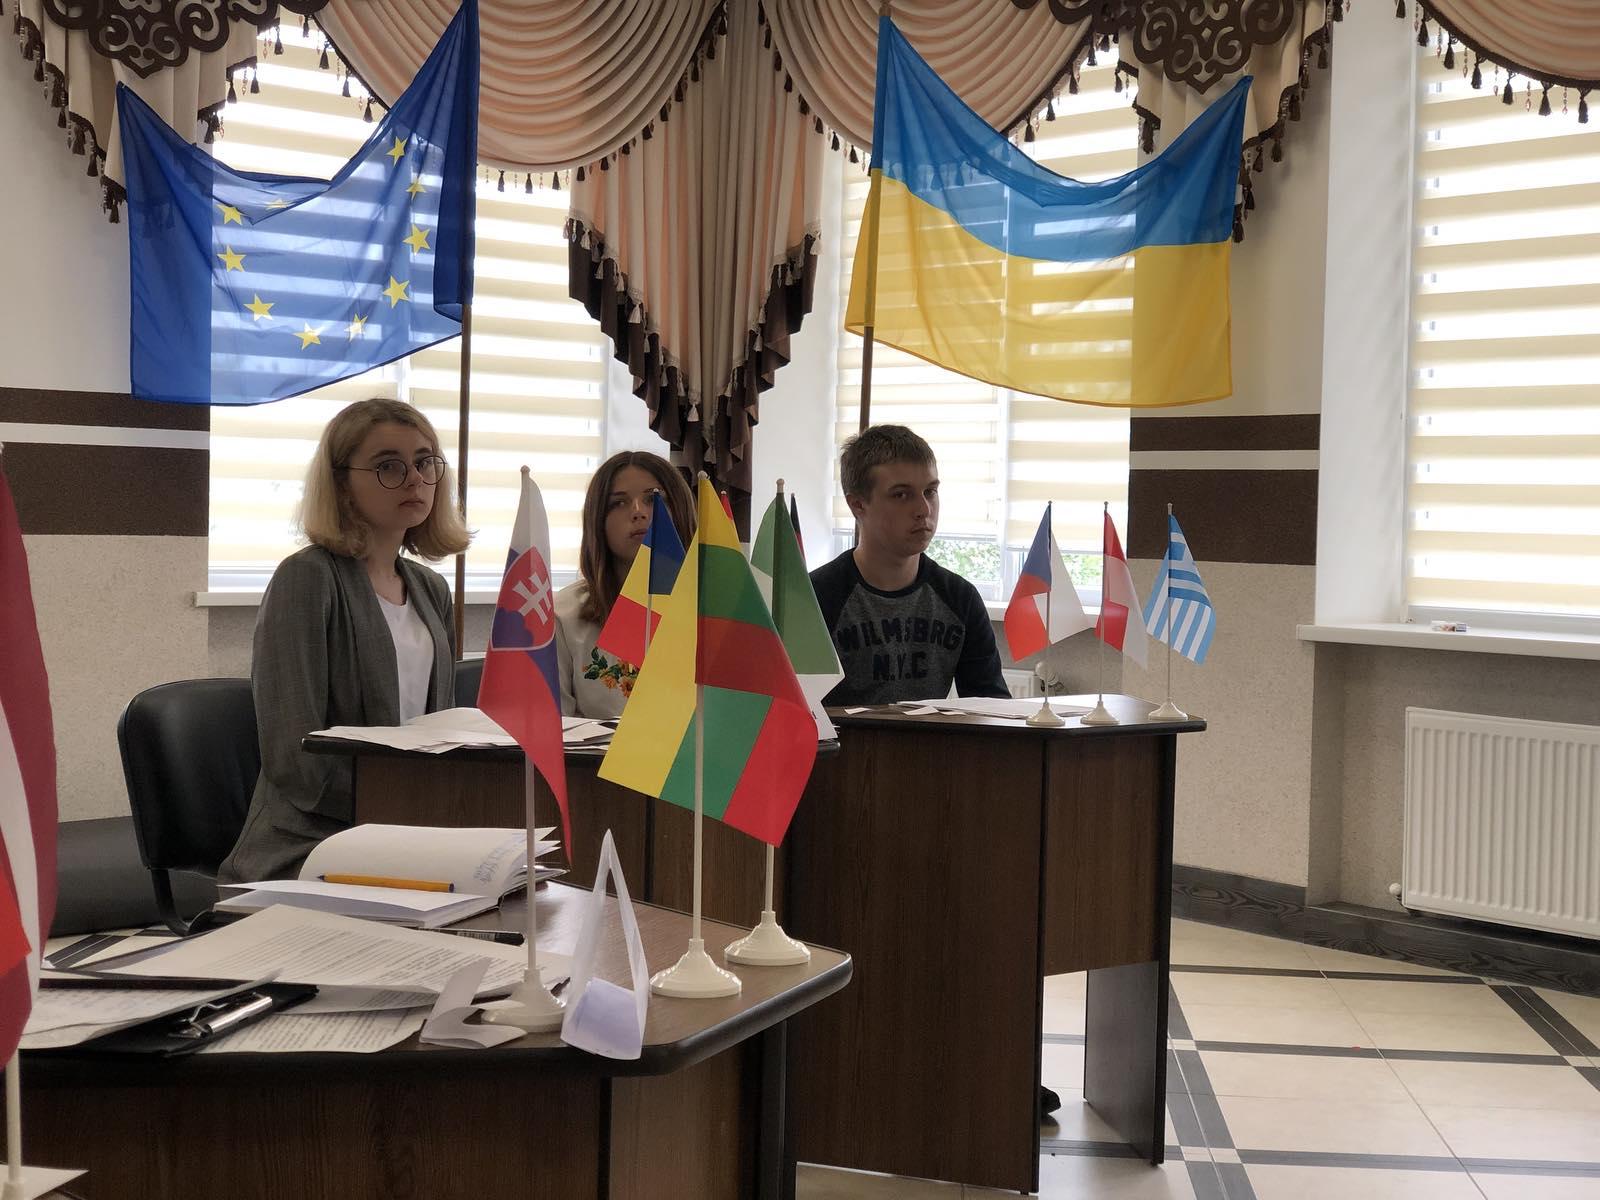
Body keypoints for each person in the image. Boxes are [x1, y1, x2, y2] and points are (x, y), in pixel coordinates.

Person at [218, 399, 468, 883]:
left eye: (424, 462)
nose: (415, 479)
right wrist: (398, 806)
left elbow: (440, 728)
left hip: (413, 826)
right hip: (311, 838)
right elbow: (294, 754)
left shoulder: (431, 588)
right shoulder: (306, 578)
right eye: (388, 466)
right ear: (341, 485)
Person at [810, 424, 1007, 706]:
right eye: (901, 494)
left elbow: (993, 709)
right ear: (858, 505)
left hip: (931, 736)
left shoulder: (960, 598)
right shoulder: (814, 599)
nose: (923, 510)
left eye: (930, 491)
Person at [555, 450, 695, 718]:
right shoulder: (564, 614)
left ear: (679, 509)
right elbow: (553, 728)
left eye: (654, 499)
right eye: (618, 503)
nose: (638, 512)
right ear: (598, 521)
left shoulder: (716, 603)